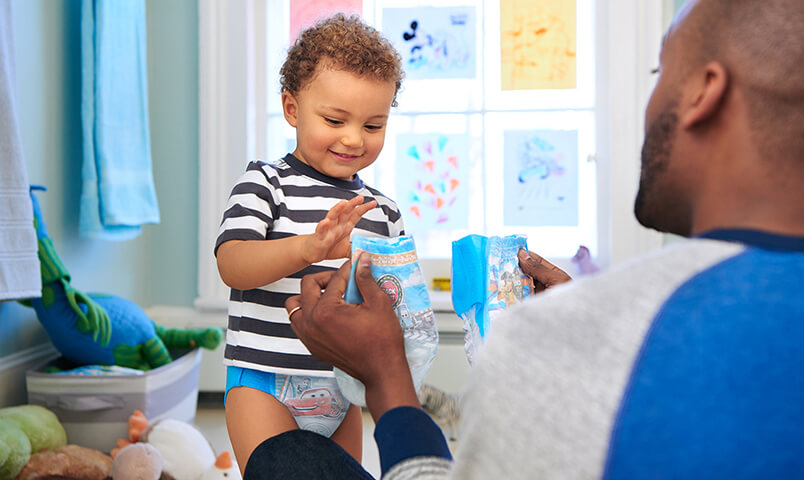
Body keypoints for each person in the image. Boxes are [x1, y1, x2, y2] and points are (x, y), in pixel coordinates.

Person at [248, 0, 804, 478]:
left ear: (705, 93)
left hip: (352, 395)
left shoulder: (598, 333)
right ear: (293, 108)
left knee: (288, 461)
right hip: (269, 375)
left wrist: (388, 379)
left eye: (660, 73)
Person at [214, 14, 406, 474]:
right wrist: (308, 249)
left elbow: (393, 297)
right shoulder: (265, 183)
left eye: (373, 125)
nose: (353, 138)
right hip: (264, 380)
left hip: (343, 388)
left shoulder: (382, 211)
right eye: (335, 119)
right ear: (292, 108)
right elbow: (232, 264)